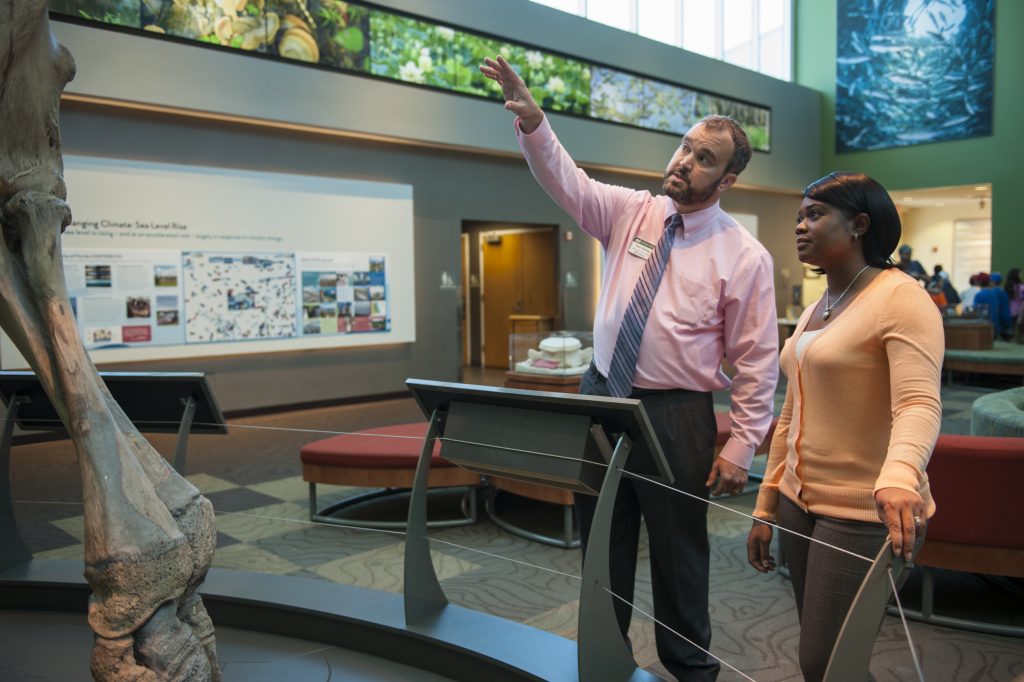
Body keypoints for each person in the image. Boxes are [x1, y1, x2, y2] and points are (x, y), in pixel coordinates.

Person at [480, 55, 778, 680]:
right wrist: (534, 124)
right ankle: (603, 656)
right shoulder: (631, 211)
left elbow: (756, 360)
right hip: (601, 399)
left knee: (678, 553)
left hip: (676, 416)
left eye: (703, 159)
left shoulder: (744, 256)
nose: (685, 162)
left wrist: (742, 445)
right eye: (685, 147)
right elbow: (566, 180)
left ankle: (689, 668)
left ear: (726, 181)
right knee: (602, 543)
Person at [746, 172, 942, 682]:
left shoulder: (902, 297)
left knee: (825, 663)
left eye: (814, 215)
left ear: (859, 224)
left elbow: (919, 403)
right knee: (831, 662)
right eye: (798, 216)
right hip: (799, 504)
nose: (800, 226)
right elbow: (791, 414)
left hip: (864, 510)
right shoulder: (818, 306)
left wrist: (900, 474)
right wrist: (766, 503)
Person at [975, 271, 1012, 340]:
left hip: (986, 325)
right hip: (998, 324)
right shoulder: (998, 293)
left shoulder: (981, 295)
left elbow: (977, 311)